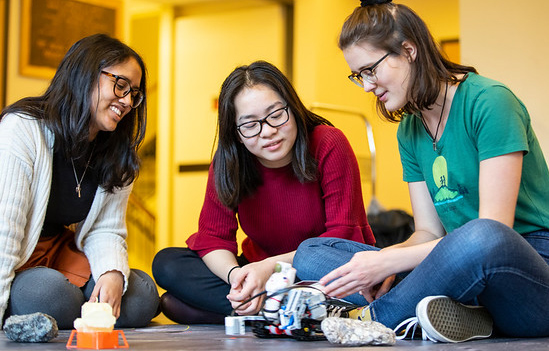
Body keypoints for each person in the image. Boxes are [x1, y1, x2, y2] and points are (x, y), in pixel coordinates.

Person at [293, 0, 549, 343]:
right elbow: (427, 232)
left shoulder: (490, 101)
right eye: (359, 75)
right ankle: (452, 313)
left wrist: (387, 264)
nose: (367, 86)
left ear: (408, 50)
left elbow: (496, 230)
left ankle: (373, 318)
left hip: (523, 265)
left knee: (480, 236)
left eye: (371, 70)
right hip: (454, 263)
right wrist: (385, 261)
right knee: (311, 253)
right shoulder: (409, 131)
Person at [152, 60, 375, 324]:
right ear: (236, 134)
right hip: (258, 272)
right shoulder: (228, 162)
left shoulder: (328, 143)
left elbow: (341, 239)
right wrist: (236, 276)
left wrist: (268, 268)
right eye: (250, 125)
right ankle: (279, 309)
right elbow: (213, 238)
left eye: (276, 115)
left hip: (322, 271)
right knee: (167, 264)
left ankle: (263, 309)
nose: (268, 132)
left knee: (178, 305)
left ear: (292, 107)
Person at [0, 33, 160, 330]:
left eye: (134, 93)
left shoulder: (117, 152)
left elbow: (106, 228)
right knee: (50, 295)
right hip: (20, 257)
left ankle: (71, 311)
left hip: (61, 252)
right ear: (84, 74)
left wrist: (111, 273)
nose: (126, 101)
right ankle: (53, 307)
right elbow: (4, 231)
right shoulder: (22, 128)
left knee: (142, 296)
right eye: (120, 84)